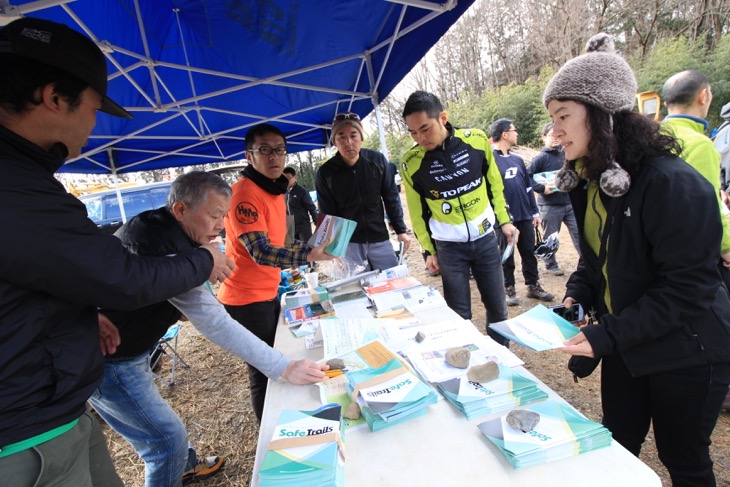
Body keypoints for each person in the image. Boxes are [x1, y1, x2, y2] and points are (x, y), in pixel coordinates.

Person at [0, 17, 233, 486]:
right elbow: (125, 279)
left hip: (59, 406)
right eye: (92, 108)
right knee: (166, 442)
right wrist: (206, 261)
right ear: (55, 97)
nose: (93, 125)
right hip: (24, 430)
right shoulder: (17, 188)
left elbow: (44, 276)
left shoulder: (25, 180)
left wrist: (82, 311)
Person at [544, 33, 730, 486]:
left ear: (603, 115)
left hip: (690, 347)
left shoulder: (672, 183)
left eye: (564, 116)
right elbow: (598, 259)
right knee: (616, 441)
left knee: (683, 458)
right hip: (628, 342)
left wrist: (609, 333)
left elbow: (689, 288)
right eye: (553, 119)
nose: (555, 133)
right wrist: (576, 296)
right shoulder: (592, 182)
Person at [89, 172, 328, 487]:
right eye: (214, 216)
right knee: (165, 441)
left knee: (161, 426)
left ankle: (184, 464)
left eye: (223, 216)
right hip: (113, 360)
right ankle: (174, 463)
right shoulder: (164, 247)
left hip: (131, 346)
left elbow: (176, 298)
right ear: (181, 211)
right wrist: (283, 366)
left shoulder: (158, 227)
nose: (220, 225)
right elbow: (213, 321)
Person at [217, 123, 334, 422]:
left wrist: (313, 244)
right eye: (265, 150)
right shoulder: (244, 194)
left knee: (278, 359)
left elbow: (280, 242)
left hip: (267, 291)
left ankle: (280, 421)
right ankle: (269, 433)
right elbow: (262, 251)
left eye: (280, 150)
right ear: (249, 156)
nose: (275, 157)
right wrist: (308, 254)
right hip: (245, 299)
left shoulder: (273, 189)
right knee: (265, 370)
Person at [401, 91, 517, 346]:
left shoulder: (476, 140)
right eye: (412, 133)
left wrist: (505, 220)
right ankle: (466, 359)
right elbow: (417, 213)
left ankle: (502, 356)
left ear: (442, 118)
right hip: (449, 247)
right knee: (459, 314)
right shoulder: (410, 163)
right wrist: (429, 250)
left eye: (424, 129)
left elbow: (494, 185)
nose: (420, 138)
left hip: (486, 239)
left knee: (498, 308)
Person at [315, 112, 411, 271]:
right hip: (349, 243)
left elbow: (391, 197)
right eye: (341, 137)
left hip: (379, 237)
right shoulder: (326, 172)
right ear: (334, 142)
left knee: (391, 282)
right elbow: (327, 212)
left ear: (361, 138)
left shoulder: (377, 161)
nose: (348, 142)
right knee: (360, 287)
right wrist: (332, 247)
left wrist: (400, 229)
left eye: (353, 135)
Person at [662, 70, 730, 274]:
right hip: (688, 254)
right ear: (703, 96)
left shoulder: (653, 135)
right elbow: (709, 207)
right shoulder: (699, 144)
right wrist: (726, 247)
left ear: (666, 104)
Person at [490, 118, 554, 306]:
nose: (516, 133)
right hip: (504, 219)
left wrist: (534, 212)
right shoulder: (490, 161)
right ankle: (508, 288)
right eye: (514, 130)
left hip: (525, 215)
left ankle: (533, 286)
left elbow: (527, 187)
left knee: (528, 251)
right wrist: (501, 219)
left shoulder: (517, 160)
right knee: (506, 253)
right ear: (504, 134)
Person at [527, 122, 581, 275]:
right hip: (550, 205)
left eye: (558, 135)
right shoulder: (540, 159)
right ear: (544, 137)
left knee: (579, 233)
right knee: (551, 237)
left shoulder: (567, 154)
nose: (556, 139)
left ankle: (586, 262)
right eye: (552, 135)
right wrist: (542, 188)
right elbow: (526, 178)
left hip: (569, 203)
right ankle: (551, 265)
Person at [282, 166, 318, 241]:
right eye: (284, 178)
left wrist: (316, 222)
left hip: (303, 226)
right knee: (291, 249)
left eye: (288, 178)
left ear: (295, 177)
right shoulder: (282, 192)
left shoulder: (302, 191)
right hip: (289, 225)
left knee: (305, 248)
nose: (286, 181)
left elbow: (311, 207)